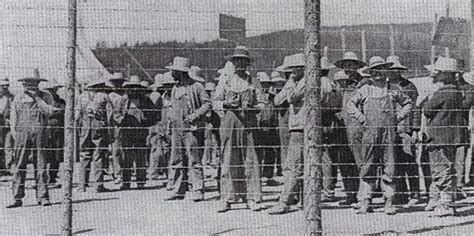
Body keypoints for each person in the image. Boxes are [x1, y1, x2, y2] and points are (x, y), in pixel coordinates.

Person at [347, 56, 413, 215]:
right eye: (374, 71)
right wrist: (361, 118)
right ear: (370, 73)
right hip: (369, 133)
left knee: (389, 167)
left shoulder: (393, 89)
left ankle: (389, 202)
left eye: (381, 70)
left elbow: (408, 103)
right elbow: (350, 105)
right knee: (367, 166)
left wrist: (398, 117)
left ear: (386, 71)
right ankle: (365, 201)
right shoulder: (365, 89)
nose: (378, 74)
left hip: (389, 134)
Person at [215, 46, 267, 212]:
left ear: (247, 63)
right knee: (229, 158)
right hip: (229, 121)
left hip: (248, 123)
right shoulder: (226, 80)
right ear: (233, 62)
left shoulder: (253, 81)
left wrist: (253, 107)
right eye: (237, 60)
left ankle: (252, 197)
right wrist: (226, 104)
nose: (240, 63)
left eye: (243, 60)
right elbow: (215, 101)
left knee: (250, 160)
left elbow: (263, 102)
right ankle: (227, 198)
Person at [7, 69, 60, 208]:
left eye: (34, 82)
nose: (31, 85)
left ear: (38, 83)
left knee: (41, 165)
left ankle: (43, 196)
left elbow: (50, 112)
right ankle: (17, 197)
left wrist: (37, 98)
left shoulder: (46, 96)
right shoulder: (19, 97)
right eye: (28, 83)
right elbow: (14, 118)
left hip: (40, 133)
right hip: (22, 134)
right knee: (20, 165)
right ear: (24, 83)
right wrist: (16, 134)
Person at [421, 57, 464, 217]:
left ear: (446, 75)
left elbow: (427, 109)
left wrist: (427, 99)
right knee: (448, 168)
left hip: (439, 137)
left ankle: (446, 205)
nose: (436, 75)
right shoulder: (457, 92)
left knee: (441, 170)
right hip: (451, 137)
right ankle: (444, 201)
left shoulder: (443, 93)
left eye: (438, 72)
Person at [165, 57, 211, 201]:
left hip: (192, 128)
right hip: (176, 129)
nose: (171, 73)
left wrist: (194, 116)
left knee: (194, 160)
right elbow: (172, 109)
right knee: (177, 160)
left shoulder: (197, 86)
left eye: (173, 70)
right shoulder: (175, 88)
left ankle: (198, 189)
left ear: (180, 72)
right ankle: (179, 190)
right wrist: (169, 126)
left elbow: (208, 104)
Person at [267, 53, 308, 214]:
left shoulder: (305, 81)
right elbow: (277, 100)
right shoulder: (295, 82)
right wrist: (289, 84)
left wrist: (290, 83)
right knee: (299, 167)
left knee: (294, 167)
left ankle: (285, 201)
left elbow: (291, 98)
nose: (292, 72)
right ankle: (303, 201)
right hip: (297, 127)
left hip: (302, 127)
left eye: (294, 69)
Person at [386, 55, 421, 207]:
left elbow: (415, 109)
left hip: (405, 129)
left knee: (410, 162)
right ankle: (400, 194)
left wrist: (414, 130)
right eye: (390, 69)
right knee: (394, 162)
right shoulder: (384, 87)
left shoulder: (409, 86)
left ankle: (415, 193)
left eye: (395, 70)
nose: (393, 72)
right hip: (391, 130)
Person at [333, 52, 366, 206]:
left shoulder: (363, 84)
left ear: (357, 66)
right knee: (345, 163)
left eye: (351, 65)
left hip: (357, 128)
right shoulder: (340, 85)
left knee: (361, 162)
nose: (348, 68)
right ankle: (350, 195)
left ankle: (364, 196)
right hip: (342, 130)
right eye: (345, 65)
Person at [120, 76, 157, 190]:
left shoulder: (146, 100)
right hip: (127, 132)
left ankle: (141, 181)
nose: (134, 90)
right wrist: (122, 120)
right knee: (126, 157)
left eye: (136, 87)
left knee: (140, 156)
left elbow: (153, 114)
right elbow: (116, 114)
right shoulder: (124, 100)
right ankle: (126, 182)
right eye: (131, 87)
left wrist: (144, 120)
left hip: (141, 132)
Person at [77, 79, 111, 193]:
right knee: (98, 155)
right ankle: (98, 185)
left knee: (84, 155)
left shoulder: (82, 97)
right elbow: (109, 115)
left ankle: (82, 184)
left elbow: (77, 115)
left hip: (85, 127)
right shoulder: (104, 96)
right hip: (99, 127)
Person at [255, 72, 280, 186]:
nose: (263, 86)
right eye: (262, 83)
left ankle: (268, 175)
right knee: (258, 152)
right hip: (259, 128)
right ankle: (258, 176)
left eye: (266, 84)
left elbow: (275, 111)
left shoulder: (272, 97)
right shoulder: (255, 95)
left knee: (270, 152)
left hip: (271, 127)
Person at [42, 81, 65, 188]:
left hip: (58, 130)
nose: (53, 91)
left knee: (56, 155)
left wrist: (53, 111)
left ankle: (52, 178)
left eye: (55, 89)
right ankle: (43, 179)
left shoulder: (61, 101)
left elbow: (64, 112)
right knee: (45, 155)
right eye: (51, 89)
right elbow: (43, 112)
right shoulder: (44, 101)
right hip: (46, 130)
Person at [107, 72, 128, 185]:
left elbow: (126, 109)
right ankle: (117, 173)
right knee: (115, 151)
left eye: (119, 82)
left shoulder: (125, 95)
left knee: (124, 151)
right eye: (115, 82)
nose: (117, 84)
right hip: (114, 126)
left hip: (125, 125)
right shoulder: (110, 96)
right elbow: (109, 112)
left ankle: (125, 174)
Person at [272, 68, 291, 177]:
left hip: (287, 122)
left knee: (286, 151)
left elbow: (277, 101)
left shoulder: (288, 85)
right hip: (288, 122)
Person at [0, 77, 13, 176]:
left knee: (8, 147)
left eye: (6, 86)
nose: (5, 88)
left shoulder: (11, 98)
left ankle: (7, 167)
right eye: (3, 86)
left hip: (7, 126)